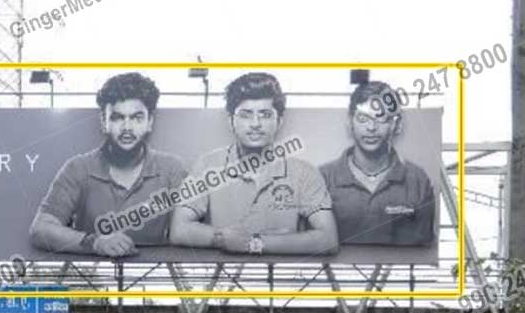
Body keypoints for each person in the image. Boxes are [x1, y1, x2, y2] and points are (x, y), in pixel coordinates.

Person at [170, 72, 338, 256]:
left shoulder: (304, 172)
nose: (255, 124)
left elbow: (328, 239)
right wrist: (221, 238)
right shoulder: (207, 165)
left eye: (265, 115)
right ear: (231, 121)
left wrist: (255, 243)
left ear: (279, 121)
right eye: (246, 115)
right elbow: (179, 230)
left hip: (284, 277)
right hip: (222, 278)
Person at [29, 72, 188, 256]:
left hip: (154, 276)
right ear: (104, 122)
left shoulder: (172, 169)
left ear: (149, 122)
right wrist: (94, 242)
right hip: (91, 277)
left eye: (137, 118)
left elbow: (188, 230)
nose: (127, 127)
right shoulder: (78, 168)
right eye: (117, 117)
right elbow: (40, 229)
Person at [320, 81, 435, 246]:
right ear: (350, 122)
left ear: (396, 125)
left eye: (381, 118)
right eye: (363, 119)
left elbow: (423, 244)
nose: (371, 127)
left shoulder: (418, 180)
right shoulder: (322, 178)